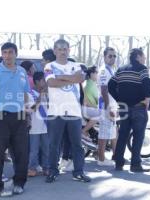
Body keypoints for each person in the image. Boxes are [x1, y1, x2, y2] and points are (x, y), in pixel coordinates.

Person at [0, 42, 30, 196]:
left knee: (21, 153)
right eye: (4, 52)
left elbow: (25, 95)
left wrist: (26, 113)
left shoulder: (22, 71)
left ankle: (19, 183)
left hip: (19, 117)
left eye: (10, 52)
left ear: (16, 54)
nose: (7, 55)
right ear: (2, 54)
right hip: (0, 116)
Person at [44, 39, 91, 183]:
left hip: (74, 112)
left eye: (65, 49)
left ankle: (78, 172)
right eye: (59, 49)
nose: (62, 51)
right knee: (54, 145)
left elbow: (80, 78)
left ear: (68, 50)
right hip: (55, 111)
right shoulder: (49, 66)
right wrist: (72, 79)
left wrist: (60, 77)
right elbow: (51, 83)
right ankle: (53, 171)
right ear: (54, 51)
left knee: (77, 145)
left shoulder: (75, 65)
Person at [108, 48, 150, 172]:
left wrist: (119, 99)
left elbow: (111, 85)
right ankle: (135, 165)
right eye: (143, 56)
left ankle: (119, 163)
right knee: (138, 136)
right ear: (138, 56)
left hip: (124, 108)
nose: (145, 58)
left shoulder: (121, 69)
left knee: (122, 135)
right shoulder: (142, 69)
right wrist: (147, 99)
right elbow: (146, 83)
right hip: (138, 107)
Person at [97, 47, 118, 166]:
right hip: (106, 105)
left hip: (111, 104)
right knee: (104, 133)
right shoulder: (104, 70)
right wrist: (109, 107)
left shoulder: (111, 70)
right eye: (110, 56)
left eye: (114, 56)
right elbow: (104, 90)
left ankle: (105, 157)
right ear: (104, 57)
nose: (113, 58)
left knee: (110, 132)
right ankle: (101, 159)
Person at [27, 72, 49, 177]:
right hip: (34, 127)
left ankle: (46, 168)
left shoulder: (46, 93)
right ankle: (32, 168)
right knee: (33, 150)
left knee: (46, 148)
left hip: (45, 126)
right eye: (43, 80)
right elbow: (33, 109)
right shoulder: (29, 93)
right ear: (37, 81)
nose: (45, 83)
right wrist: (41, 95)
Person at [82, 66, 100, 141]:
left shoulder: (89, 84)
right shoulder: (91, 85)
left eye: (97, 72)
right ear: (91, 74)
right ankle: (83, 131)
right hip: (87, 109)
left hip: (88, 108)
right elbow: (98, 100)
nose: (97, 74)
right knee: (102, 114)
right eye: (95, 72)